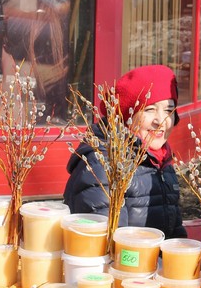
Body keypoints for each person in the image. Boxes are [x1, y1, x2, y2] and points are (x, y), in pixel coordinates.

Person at [64, 64, 187, 239]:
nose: (161, 121)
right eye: (150, 109)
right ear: (126, 115)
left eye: (169, 110)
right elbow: (105, 244)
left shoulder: (161, 161)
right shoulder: (103, 164)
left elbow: (174, 233)